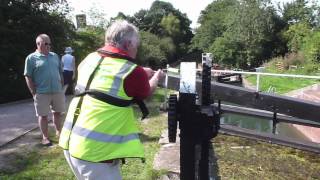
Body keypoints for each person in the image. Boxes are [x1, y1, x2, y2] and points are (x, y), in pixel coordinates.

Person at [59, 20, 164, 179]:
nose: (137, 49)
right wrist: (156, 77)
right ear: (129, 44)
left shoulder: (90, 58)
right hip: (95, 154)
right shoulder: (133, 72)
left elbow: (104, 74)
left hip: (70, 142)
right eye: (137, 45)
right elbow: (146, 92)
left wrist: (142, 71)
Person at [24, 34, 65, 146]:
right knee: (43, 116)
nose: (49, 46)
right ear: (38, 44)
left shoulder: (55, 56)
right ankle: (45, 137)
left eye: (49, 43)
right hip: (41, 92)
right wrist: (33, 92)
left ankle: (59, 132)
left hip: (57, 91)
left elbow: (60, 71)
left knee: (57, 113)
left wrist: (61, 84)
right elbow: (28, 76)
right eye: (46, 43)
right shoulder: (31, 58)